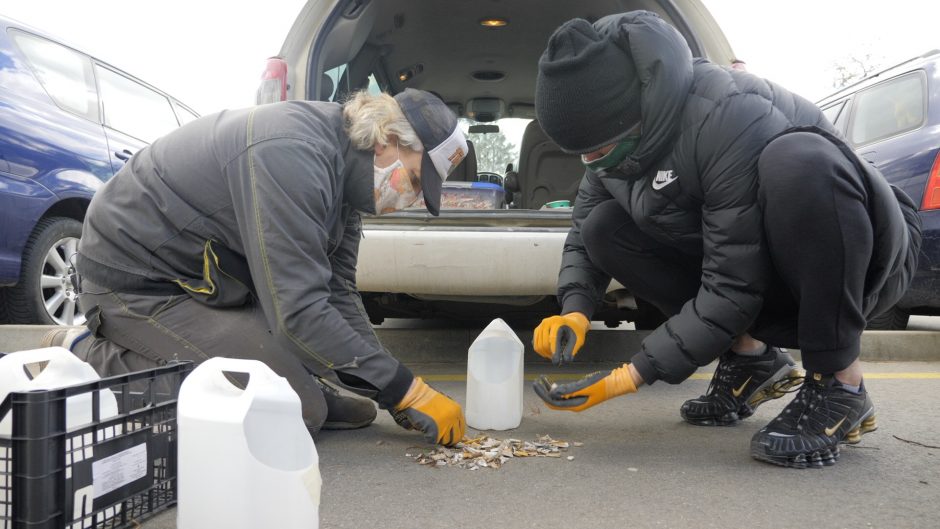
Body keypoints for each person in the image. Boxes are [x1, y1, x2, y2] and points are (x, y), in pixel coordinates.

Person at [530, 11, 922, 468]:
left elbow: (732, 282)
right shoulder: (612, 152)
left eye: (599, 151)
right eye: (584, 155)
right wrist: (575, 310)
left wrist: (631, 375)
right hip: (757, 261)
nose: (593, 163)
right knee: (604, 226)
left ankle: (840, 383)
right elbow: (582, 231)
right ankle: (750, 359)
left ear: (633, 112)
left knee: (796, 161)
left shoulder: (725, 112)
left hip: (865, 255)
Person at [61, 88, 468, 446]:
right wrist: (404, 391)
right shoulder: (292, 153)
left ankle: (297, 388)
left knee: (294, 385)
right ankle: (89, 354)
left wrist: (390, 383)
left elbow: (337, 292)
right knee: (289, 410)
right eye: (415, 181)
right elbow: (300, 312)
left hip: (198, 282)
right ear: (387, 139)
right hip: (137, 283)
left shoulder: (345, 176)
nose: (412, 198)